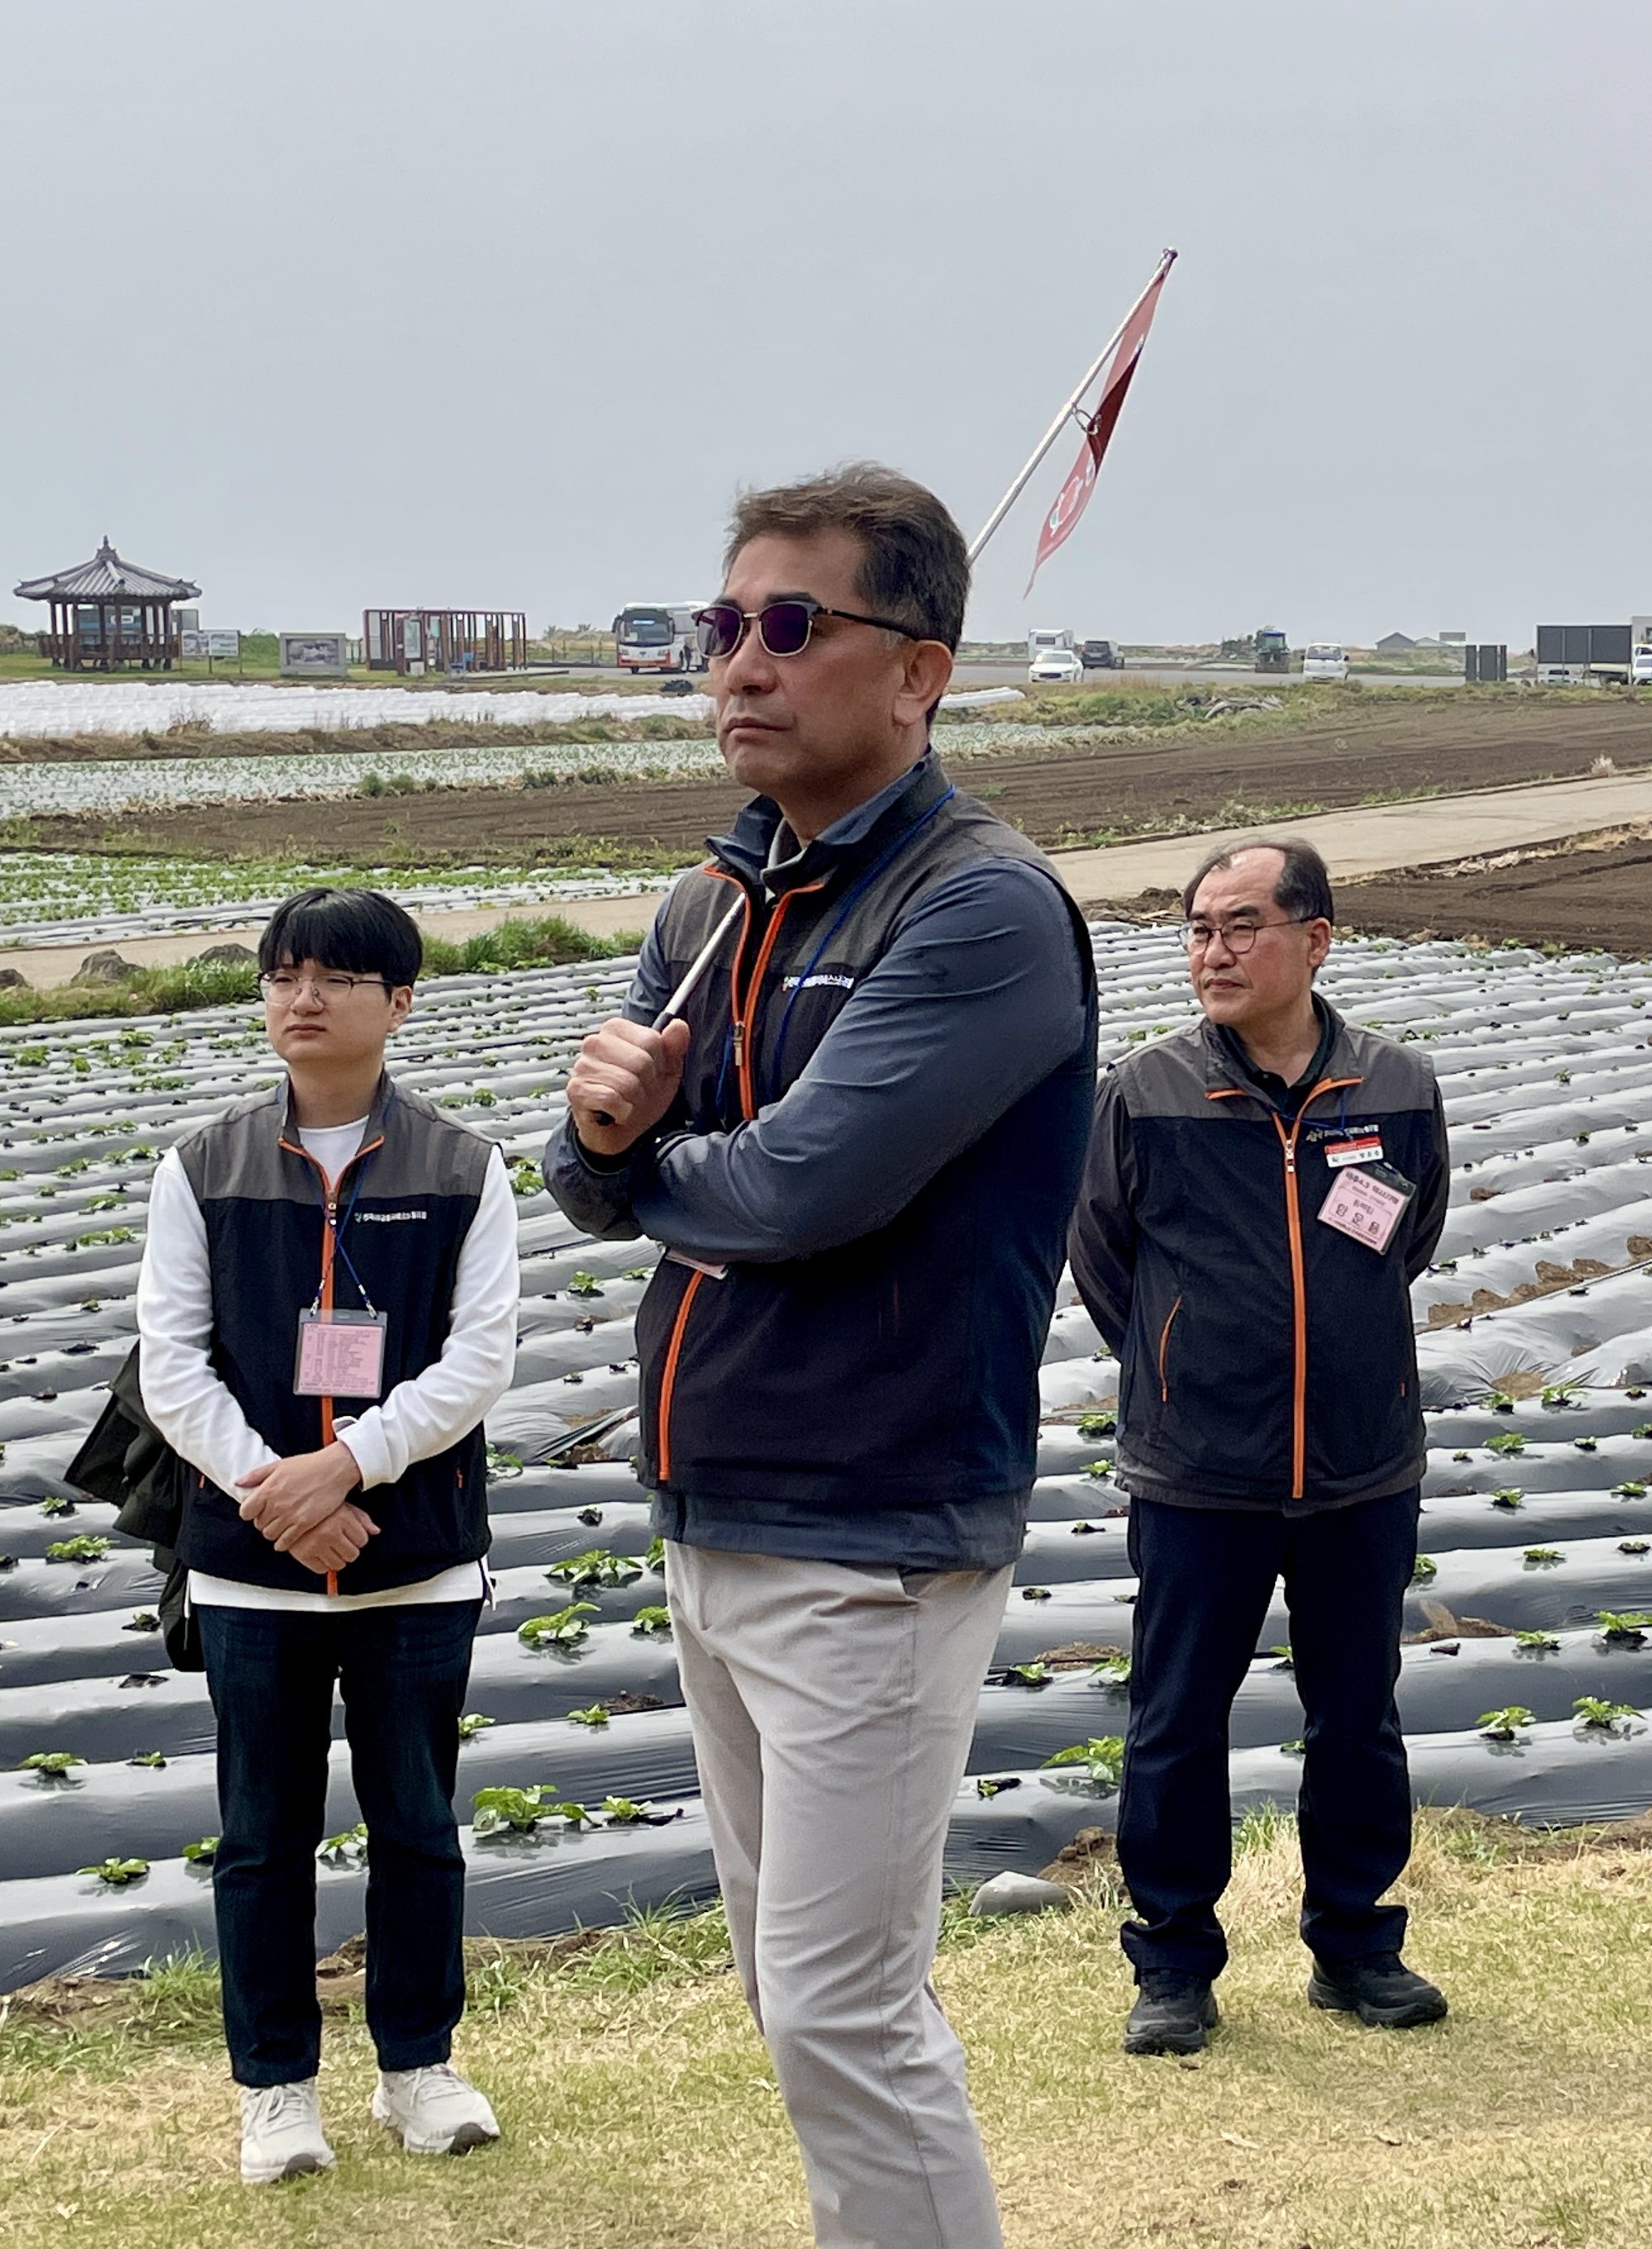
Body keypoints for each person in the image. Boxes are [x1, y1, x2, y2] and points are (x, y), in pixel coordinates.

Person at [546, 464, 1095, 2249]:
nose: (739, 663)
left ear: (920, 672)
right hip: (715, 1508)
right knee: (797, 1997)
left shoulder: (977, 908)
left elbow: (799, 1192)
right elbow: (580, 1168)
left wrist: (647, 1159)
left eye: (791, 625)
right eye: (723, 624)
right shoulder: (717, 902)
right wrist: (619, 1144)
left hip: (872, 1530)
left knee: (842, 2009)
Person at [137, 887, 520, 2185]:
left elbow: (479, 1360)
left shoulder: (462, 1168)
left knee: (416, 1822)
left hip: (414, 1555)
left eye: (336, 977)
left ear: (398, 1001)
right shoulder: (202, 1167)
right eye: (282, 975)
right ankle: (275, 2088)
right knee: (261, 1837)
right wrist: (280, 1494)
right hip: (253, 1567)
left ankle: (419, 2066)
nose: (301, 998)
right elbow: (172, 1365)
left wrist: (349, 1465)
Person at [1067, 835, 1453, 2056]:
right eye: (1198, 929)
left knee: (1357, 1714)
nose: (1213, 951)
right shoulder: (1144, 1092)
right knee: (1177, 1718)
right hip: (1199, 1471)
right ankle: (1173, 1961)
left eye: (1241, 926)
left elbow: (1406, 1239)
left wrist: (1336, 1354)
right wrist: (1187, 1362)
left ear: (1315, 938)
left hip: (1360, 1464)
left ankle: (1356, 1945)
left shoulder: (1397, 1085)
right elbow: (1104, 1260)